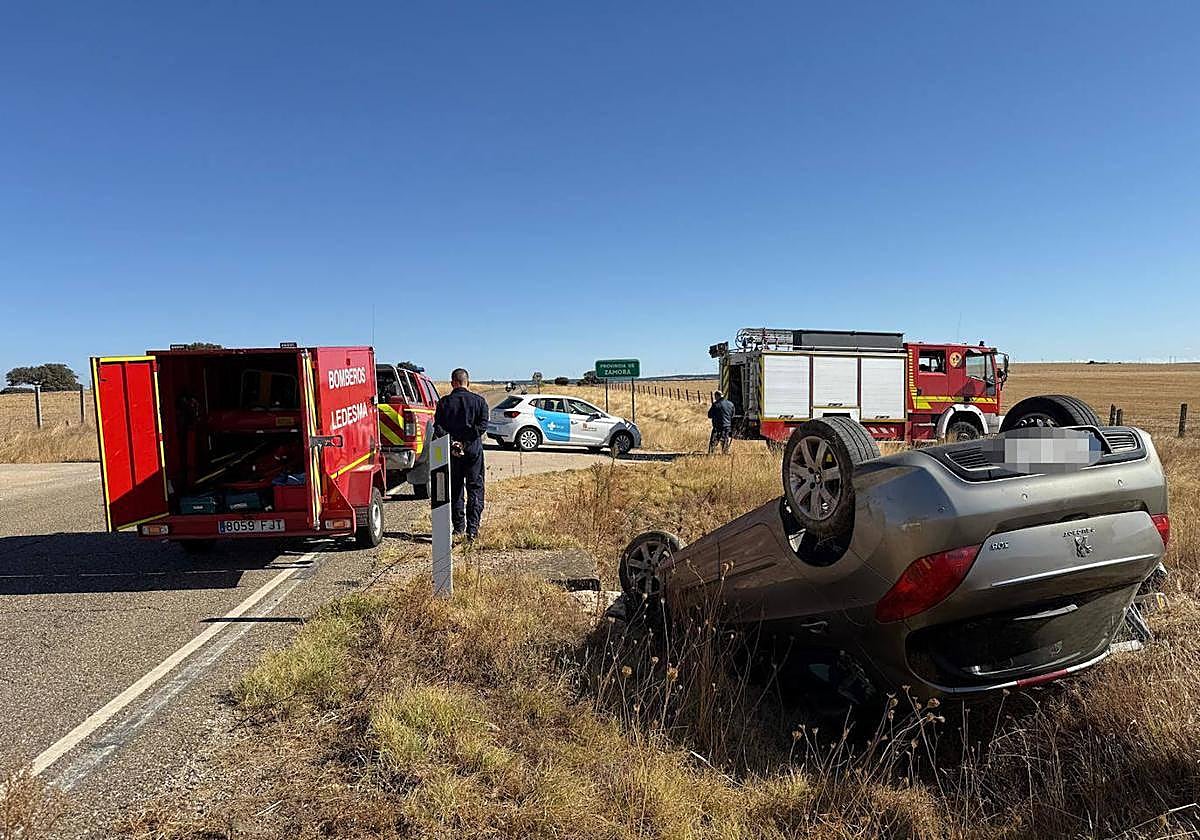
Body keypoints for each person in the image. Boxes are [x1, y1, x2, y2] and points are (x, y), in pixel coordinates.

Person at [434, 368, 490, 540]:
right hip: (473, 451)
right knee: (475, 488)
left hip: (452, 452)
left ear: (453, 383)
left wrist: (453, 443)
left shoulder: (443, 403)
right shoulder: (479, 402)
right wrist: (466, 442)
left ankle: (458, 528)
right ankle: (472, 530)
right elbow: (482, 426)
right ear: (468, 382)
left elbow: (438, 427)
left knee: (456, 489)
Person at [707, 390, 735, 454]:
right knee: (725, 442)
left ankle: (711, 455)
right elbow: (732, 415)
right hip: (727, 426)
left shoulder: (715, 404)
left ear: (717, 396)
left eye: (715, 397)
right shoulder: (731, 404)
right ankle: (725, 455)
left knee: (713, 442)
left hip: (717, 427)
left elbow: (709, 415)